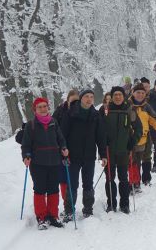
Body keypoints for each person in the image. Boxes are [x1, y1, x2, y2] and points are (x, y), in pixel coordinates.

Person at [21, 97, 69, 230]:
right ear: (35, 110)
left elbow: (61, 139)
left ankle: (53, 216)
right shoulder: (31, 125)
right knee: (40, 189)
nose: (43, 109)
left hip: (54, 161)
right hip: (37, 163)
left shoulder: (54, 122)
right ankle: (42, 217)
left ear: (48, 107)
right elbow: (26, 145)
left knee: (53, 189)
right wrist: (26, 156)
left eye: (45, 106)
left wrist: (64, 148)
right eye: (39, 107)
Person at [60, 89, 106, 220]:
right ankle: (69, 211)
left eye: (91, 97)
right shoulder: (70, 113)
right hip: (72, 156)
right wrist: (63, 149)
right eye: (86, 96)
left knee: (88, 183)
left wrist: (103, 155)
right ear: (81, 98)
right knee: (72, 184)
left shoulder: (96, 115)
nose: (89, 99)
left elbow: (100, 137)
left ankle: (88, 209)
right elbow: (63, 134)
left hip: (89, 156)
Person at [102, 86, 142, 214]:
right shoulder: (105, 110)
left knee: (123, 178)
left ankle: (124, 204)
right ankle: (111, 203)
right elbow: (99, 130)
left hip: (124, 151)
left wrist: (132, 142)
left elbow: (139, 129)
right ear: (112, 97)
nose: (117, 97)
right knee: (109, 178)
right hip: (109, 151)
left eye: (120, 94)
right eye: (115, 95)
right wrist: (103, 143)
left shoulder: (129, 110)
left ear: (123, 96)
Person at [128, 83, 156, 190]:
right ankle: (133, 183)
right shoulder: (128, 105)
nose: (140, 95)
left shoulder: (146, 106)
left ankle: (144, 179)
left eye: (142, 93)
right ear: (133, 93)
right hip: (131, 138)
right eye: (138, 92)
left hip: (144, 137)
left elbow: (155, 121)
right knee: (133, 162)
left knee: (145, 159)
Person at [52, 89, 79, 217]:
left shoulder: (80, 111)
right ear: (67, 100)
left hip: (76, 150)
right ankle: (66, 205)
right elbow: (53, 127)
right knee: (63, 179)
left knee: (72, 180)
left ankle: (70, 205)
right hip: (62, 150)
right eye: (72, 101)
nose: (74, 103)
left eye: (76, 101)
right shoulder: (60, 112)